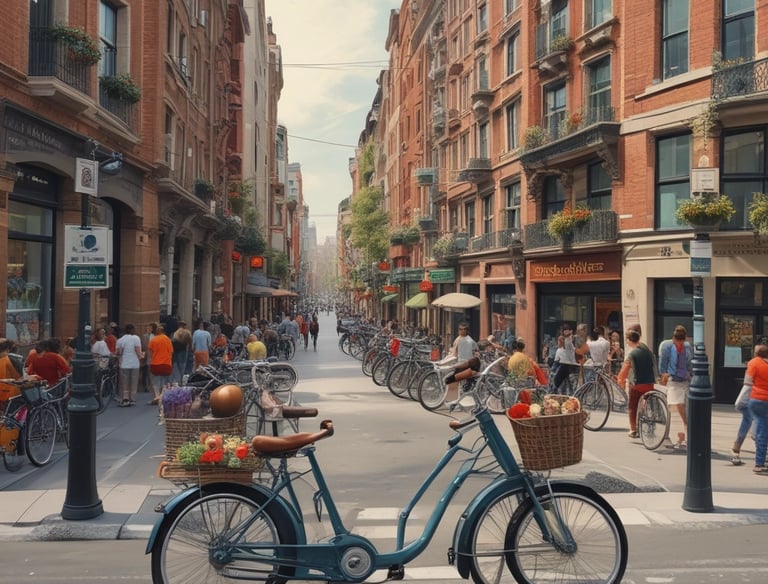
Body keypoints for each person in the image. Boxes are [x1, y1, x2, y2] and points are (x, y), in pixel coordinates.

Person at [617, 328, 656, 439]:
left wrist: (620, 381)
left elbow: (624, 371)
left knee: (632, 406)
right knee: (647, 400)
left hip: (637, 384)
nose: (626, 342)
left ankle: (633, 429)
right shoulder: (647, 351)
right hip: (650, 383)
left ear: (630, 340)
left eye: (627, 340)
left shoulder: (632, 354)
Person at [658, 325, 693, 449]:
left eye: (681, 342)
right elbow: (663, 365)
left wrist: (689, 374)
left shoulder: (687, 347)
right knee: (676, 409)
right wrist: (664, 375)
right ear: (674, 339)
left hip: (684, 380)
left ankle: (684, 438)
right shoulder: (667, 346)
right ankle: (680, 438)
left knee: (683, 410)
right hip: (673, 380)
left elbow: (690, 363)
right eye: (678, 341)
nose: (680, 344)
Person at [732, 345, 760, 466]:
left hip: (748, 400)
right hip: (753, 399)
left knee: (749, 421)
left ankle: (736, 448)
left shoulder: (753, 363)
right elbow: (749, 382)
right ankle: (760, 454)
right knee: (756, 426)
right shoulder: (756, 364)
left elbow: (747, 381)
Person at [746, 344, 768, 475]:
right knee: (762, 431)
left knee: (760, 429)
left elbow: (748, 381)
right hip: (766, 400)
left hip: (756, 399)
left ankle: (760, 461)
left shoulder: (753, 363)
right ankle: (759, 462)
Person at [115, 324, 144, 407]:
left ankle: (125, 398)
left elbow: (118, 352)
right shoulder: (136, 338)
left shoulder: (120, 340)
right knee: (133, 381)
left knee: (124, 382)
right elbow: (138, 351)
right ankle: (132, 398)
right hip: (134, 363)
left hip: (124, 363)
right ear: (133, 330)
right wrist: (142, 356)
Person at [147, 324, 174, 406]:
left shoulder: (153, 340)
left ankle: (157, 396)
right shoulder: (168, 339)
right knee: (165, 382)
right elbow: (171, 352)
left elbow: (150, 353)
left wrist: (149, 362)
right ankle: (163, 397)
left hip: (156, 363)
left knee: (155, 382)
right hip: (166, 364)